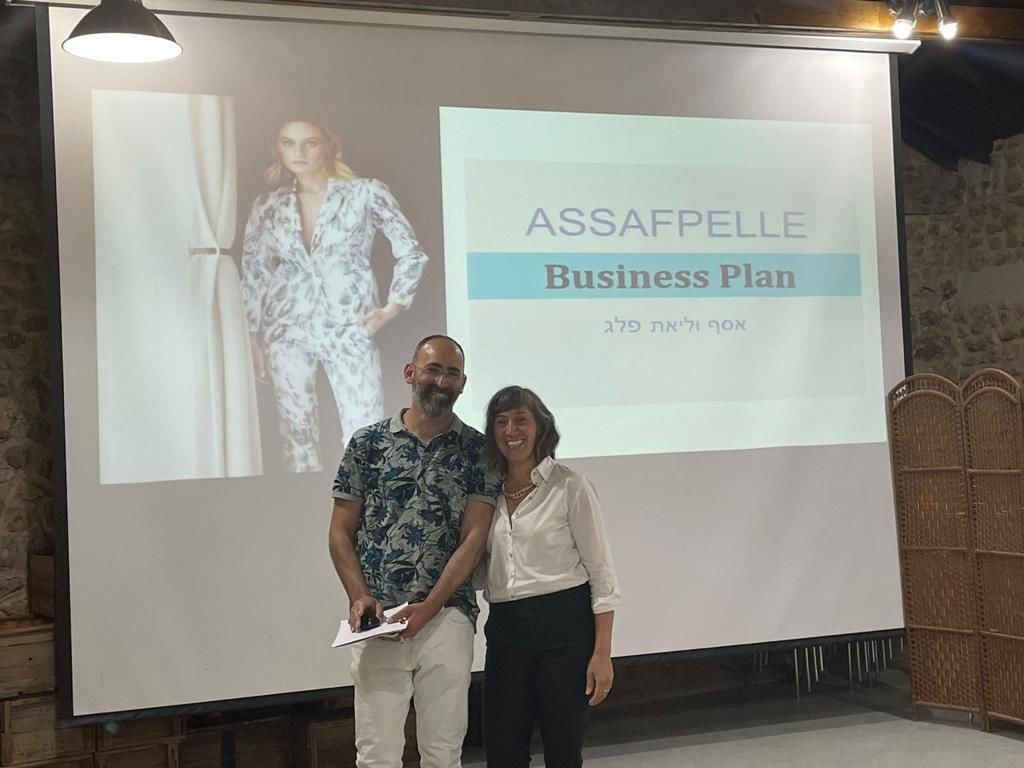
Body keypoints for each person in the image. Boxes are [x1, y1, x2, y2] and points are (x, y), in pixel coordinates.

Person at [329, 335, 500, 768]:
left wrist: (430, 606)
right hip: (378, 620)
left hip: (447, 617)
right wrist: (360, 597)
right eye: (433, 370)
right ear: (410, 373)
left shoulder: (478, 451)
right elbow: (340, 532)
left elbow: (474, 538)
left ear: (463, 383)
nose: (441, 381)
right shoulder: (367, 444)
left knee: (443, 753)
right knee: (377, 755)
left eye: (452, 373)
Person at [242, 117, 428, 473]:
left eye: (309, 142)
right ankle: (301, 502)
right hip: (285, 326)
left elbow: (411, 251)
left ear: (329, 144)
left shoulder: (365, 192)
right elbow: (255, 270)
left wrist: (392, 306)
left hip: (350, 324)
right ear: (277, 148)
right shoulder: (268, 205)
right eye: (288, 143)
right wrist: (252, 336)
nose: (298, 152)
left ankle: (363, 502)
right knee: (296, 433)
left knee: (365, 429)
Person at [481, 386, 620, 768]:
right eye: (501, 422)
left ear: (540, 427)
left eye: (521, 420)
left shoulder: (570, 486)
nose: (511, 430)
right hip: (506, 632)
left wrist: (602, 654)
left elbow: (602, 575)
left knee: (562, 752)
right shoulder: (486, 494)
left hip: (565, 633)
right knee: (502, 753)